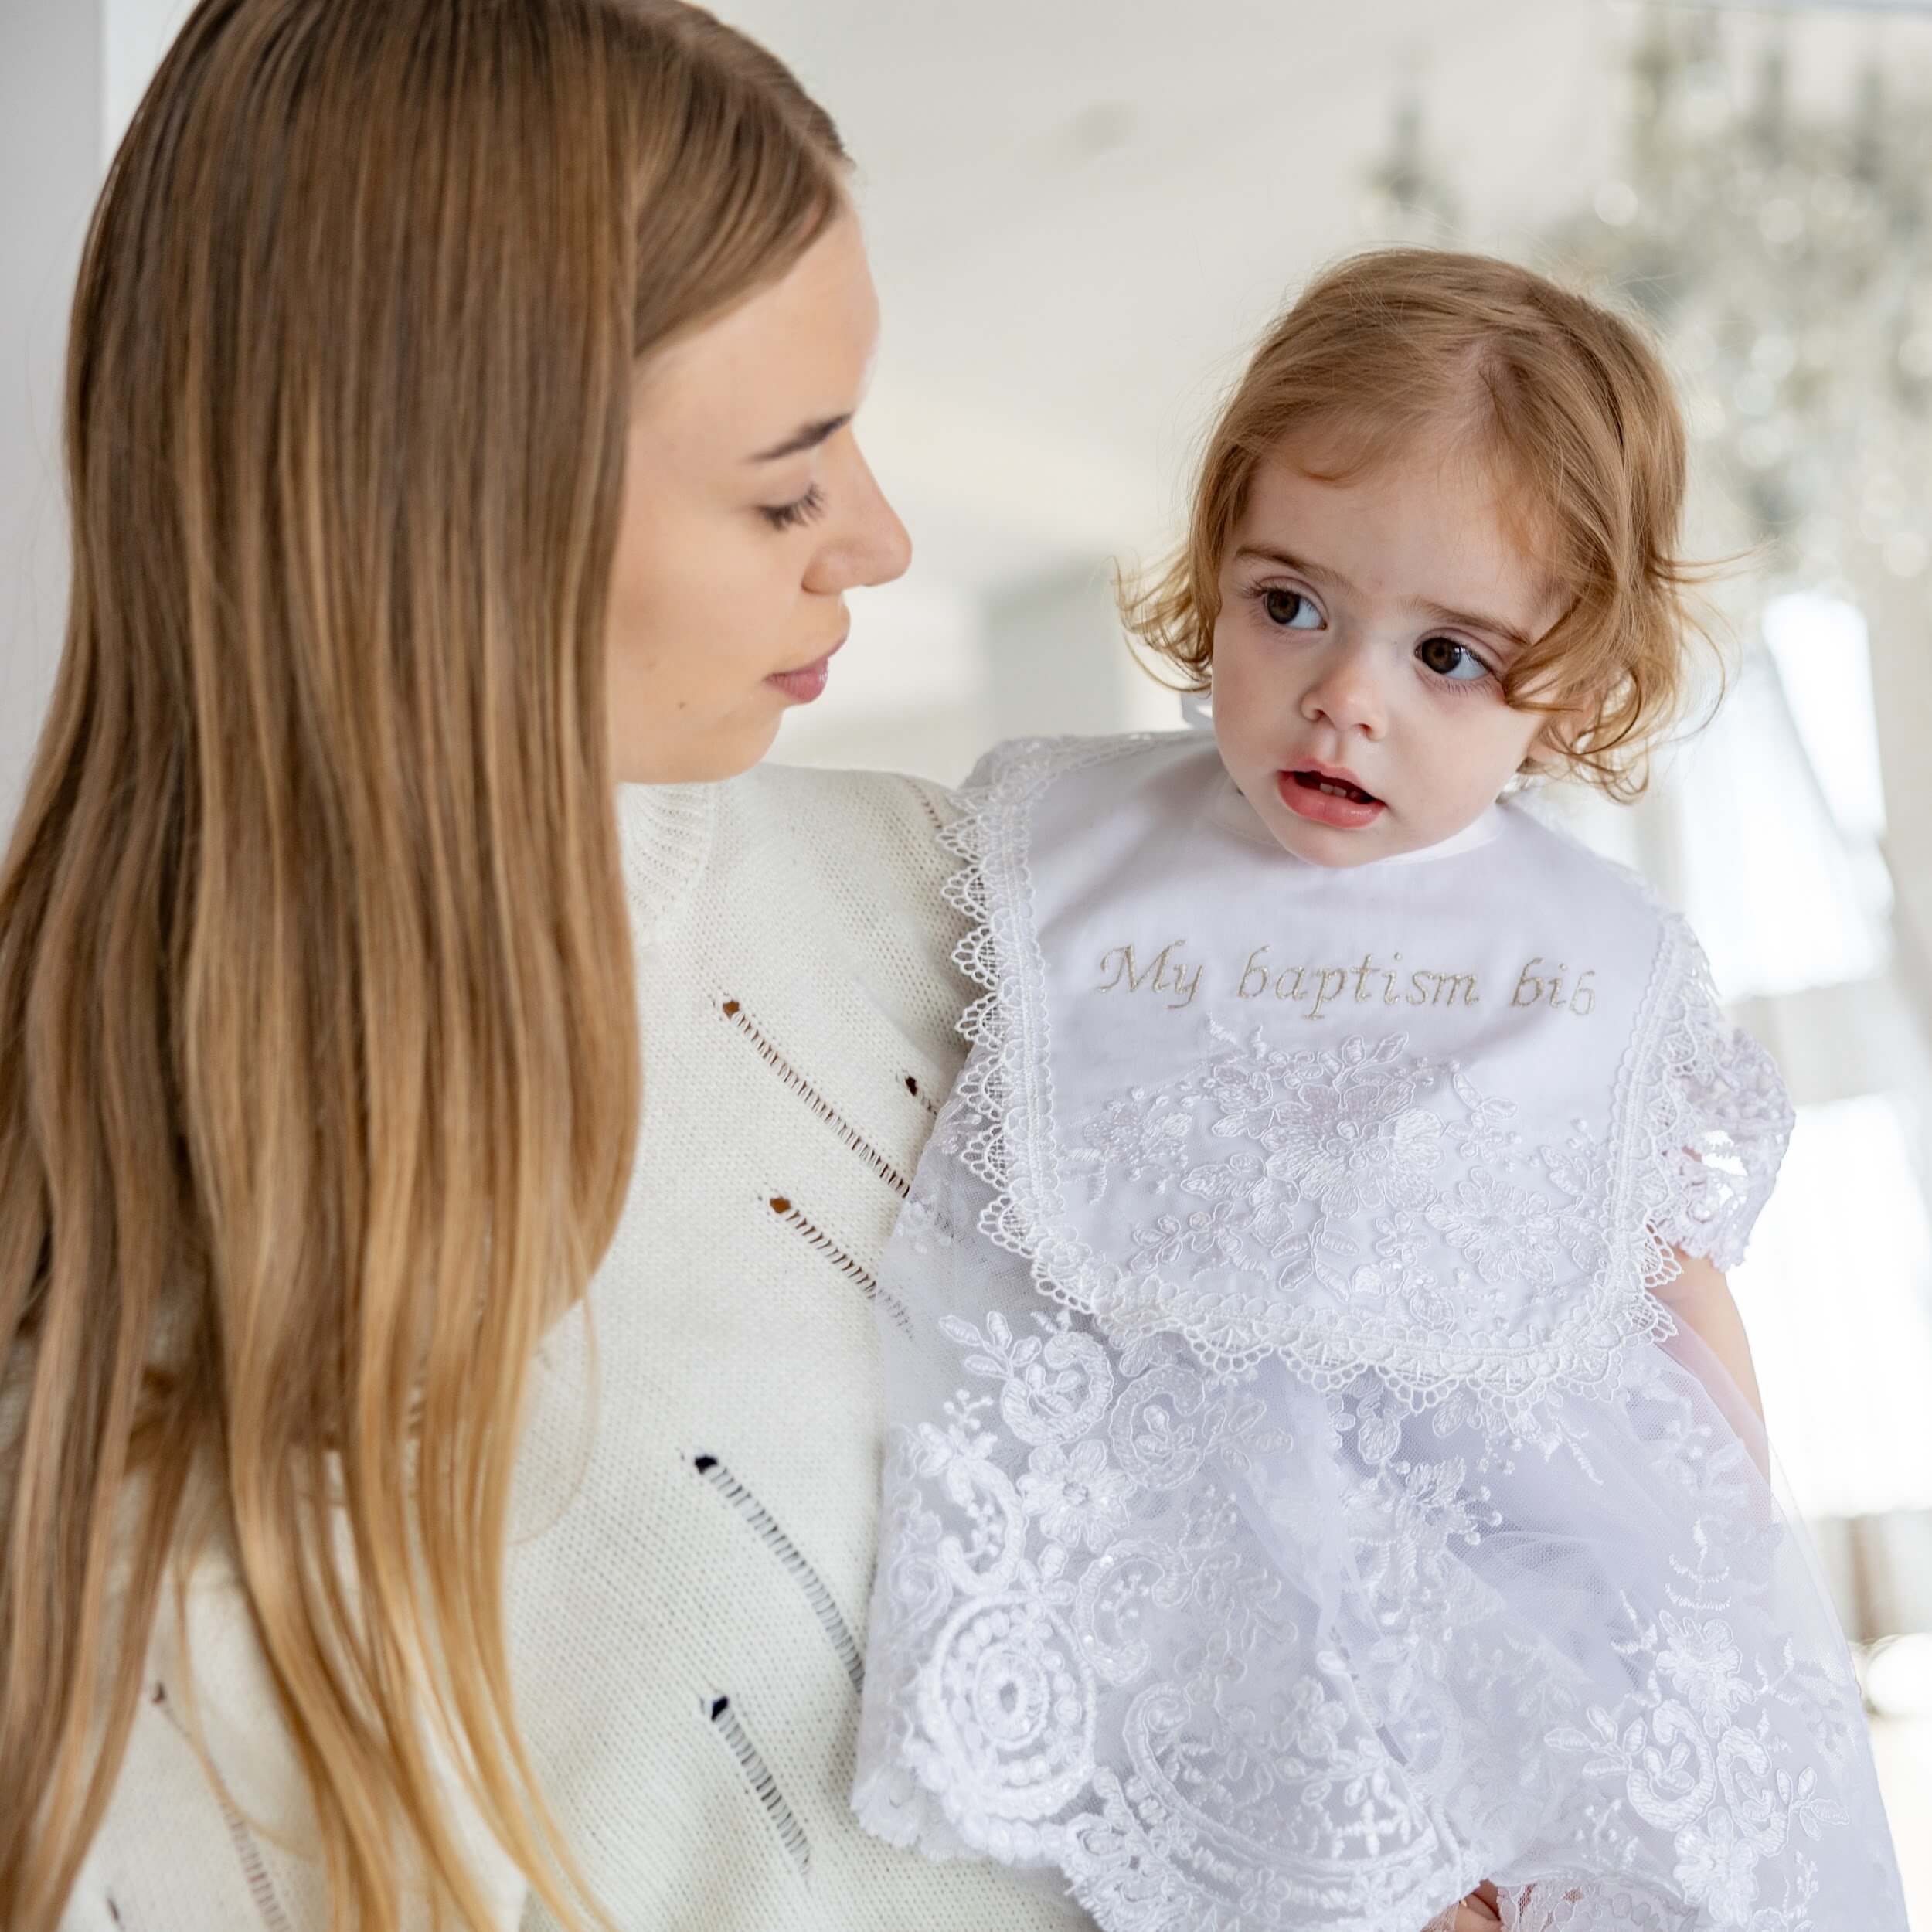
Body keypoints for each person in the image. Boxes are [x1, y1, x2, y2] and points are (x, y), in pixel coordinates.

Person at [0, 2, 1096, 1927]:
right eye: (786, 482)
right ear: (457, 523)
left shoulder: (976, 911)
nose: (881, 538)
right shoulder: (69, 1276)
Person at [851, 250, 1911, 1932]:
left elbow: (1667, 1285)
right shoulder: (1066, 850)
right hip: (1181, 1518)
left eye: (1449, 658)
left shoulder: (1587, 958)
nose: (1345, 695)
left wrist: (1706, 1599)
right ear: (1215, 563)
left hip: (1494, 1548)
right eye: (1289, 605)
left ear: (1570, 689)